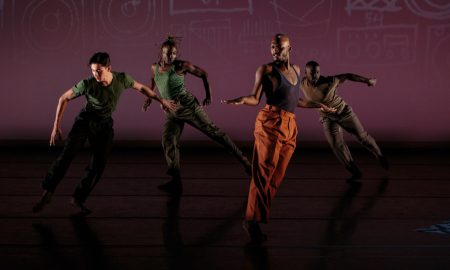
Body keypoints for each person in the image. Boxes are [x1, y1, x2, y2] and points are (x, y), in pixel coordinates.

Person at [223, 34, 335, 244]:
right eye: (272, 48)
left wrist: (318, 105)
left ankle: (257, 217)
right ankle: (251, 220)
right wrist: (240, 100)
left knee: (276, 175)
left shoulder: (297, 70)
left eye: (279, 48)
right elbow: (254, 98)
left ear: (289, 48)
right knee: (262, 173)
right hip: (270, 123)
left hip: (290, 125)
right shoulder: (264, 70)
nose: (275, 51)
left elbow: (296, 100)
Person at [32, 52, 177, 214]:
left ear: (109, 68)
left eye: (99, 71)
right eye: (93, 71)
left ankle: (78, 198)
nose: (95, 74)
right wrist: (55, 125)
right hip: (85, 121)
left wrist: (161, 100)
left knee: (99, 163)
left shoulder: (122, 79)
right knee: (67, 155)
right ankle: (48, 192)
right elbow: (63, 98)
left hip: (104, 124)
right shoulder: (87, 84)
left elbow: (142, 88)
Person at [142, 36, 251, 193]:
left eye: (173, 53)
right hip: (172, 110)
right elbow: (153, 82)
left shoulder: (181, 66)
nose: (171, 56)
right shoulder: (154, 67)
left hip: (188, 106)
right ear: (161, 53)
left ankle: (245, 162)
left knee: (215, 133)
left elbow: (203, 74)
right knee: (168, 140)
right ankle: (176, 180)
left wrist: (209, 95)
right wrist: (149, 99)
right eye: (168, 53)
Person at [300, 60, 389, 183]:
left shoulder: (329, 81)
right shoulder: (302, 83)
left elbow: (348, 76)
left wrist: (367, 81)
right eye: (312, 73)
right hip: (327, 118)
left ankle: (379, 155)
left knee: (362, 137)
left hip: (344, 113)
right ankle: (355, 171)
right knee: (337, 145)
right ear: (305, 73)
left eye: (317, 72)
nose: (315, 75)